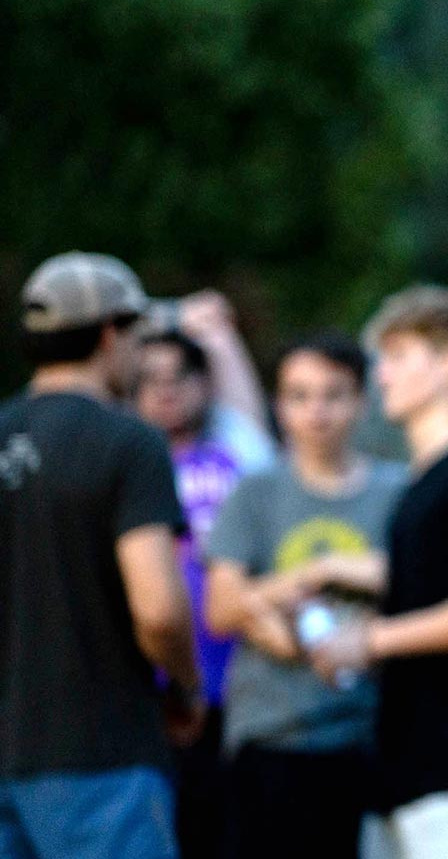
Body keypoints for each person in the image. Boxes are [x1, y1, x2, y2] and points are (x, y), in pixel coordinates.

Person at [308, 285, 448, 859]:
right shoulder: (425, 477)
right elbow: (433, 576)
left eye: (397, 356)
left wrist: (374, 640)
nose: (380, 375)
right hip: (402, 767)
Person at [1, 252, 204, 859]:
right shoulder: (129, 443)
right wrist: (186, 689)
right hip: (101, 761)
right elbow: (160, 610)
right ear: (111, 335)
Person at [202, 332, 407, 859]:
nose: (316, 412)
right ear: (278, 404)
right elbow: (220, 608)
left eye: (333, 395)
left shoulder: (397, 492)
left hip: (369, 741)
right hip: (270, 741)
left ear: (361, 402)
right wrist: (317, 573)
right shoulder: (256, 491)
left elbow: (423, 583)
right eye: (299, 395)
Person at [135, 307, 275, 859]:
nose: (165, 392)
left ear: (205, 384)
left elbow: (248, 414)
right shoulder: (124, 459)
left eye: (179, 378)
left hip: (240, 690)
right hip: (150, 692)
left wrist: (216, 333)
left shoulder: (237, 455)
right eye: (149, 380)